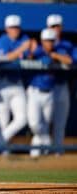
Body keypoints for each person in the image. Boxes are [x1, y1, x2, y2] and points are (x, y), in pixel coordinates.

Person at [0, 15, 28, 147]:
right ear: (6, 29)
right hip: (3, 84)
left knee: (22, 119)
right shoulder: (2, 40)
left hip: (17, 84)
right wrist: (21, 50)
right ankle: (2, 150)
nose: (14, 30)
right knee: (2, 121)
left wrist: (24, 50)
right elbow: (5, 58)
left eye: (16, 27)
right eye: (11, 28)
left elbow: (27, 55)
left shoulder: (24, 38)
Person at [27, 28, 70, 158]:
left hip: (50, 92)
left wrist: (55, 56)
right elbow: (28, 57)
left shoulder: (58, 52)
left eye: (51, 41)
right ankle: (44, 142)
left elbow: (69, 61)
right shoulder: (38, 50)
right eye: (46, 41)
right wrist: (31, 51)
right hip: (35, 91)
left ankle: (38, 154)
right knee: (34, 123)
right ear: (42, 41)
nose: (49, 43)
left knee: (45, 123)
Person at [46, 14, 73, 155]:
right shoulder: (42, 43)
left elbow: (70, 60)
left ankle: (57, 154)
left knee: (60, 124)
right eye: (53, 26)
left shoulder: (67, 45)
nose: (55, 29)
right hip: (47, 86)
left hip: (62, 85)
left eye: (58, 26)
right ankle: (42, 153)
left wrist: (55, 55)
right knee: (43, 123)